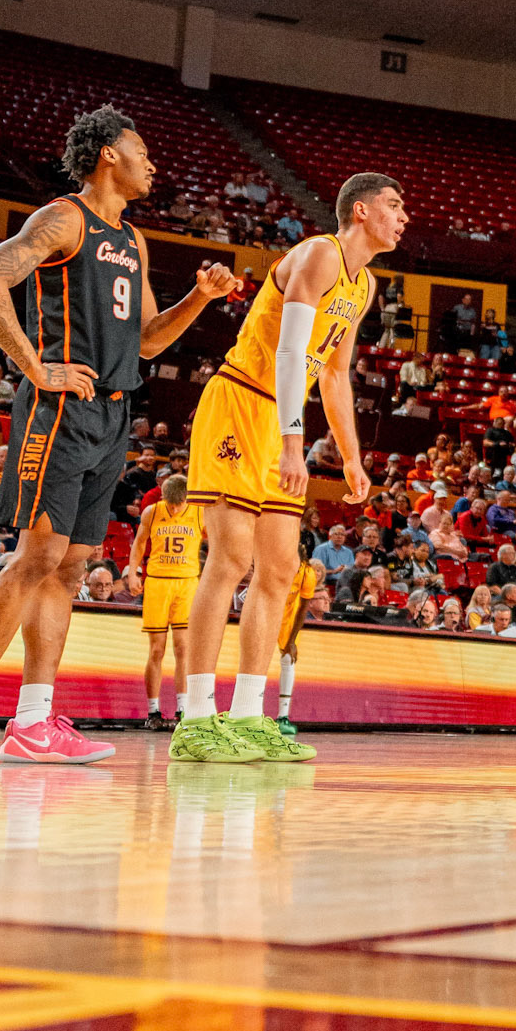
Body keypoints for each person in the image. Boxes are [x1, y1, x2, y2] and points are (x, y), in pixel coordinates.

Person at [0, 105, 233, 767]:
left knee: (71, 568)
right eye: (141, 150)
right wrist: (34, 366)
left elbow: (148, 339)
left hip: (114, 414)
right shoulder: (64, 217)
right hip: (59, 411)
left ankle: (33, 721)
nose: (151, 162)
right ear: (107, 154)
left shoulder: (133, 240)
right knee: (35, 558)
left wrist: (199, 299)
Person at [170, 171, 406, 766]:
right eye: (393, 205)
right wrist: (293, 443)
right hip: (242, 403)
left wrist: (351, 456)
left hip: (282, 418)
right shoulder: (319, 256)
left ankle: (249, 714)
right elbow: (288, 353)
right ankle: (196, 717)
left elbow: (331, 372)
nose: (403, 217)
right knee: (230, 558)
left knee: (277, 570)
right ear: (358, 211)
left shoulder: (366, 285)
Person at [127, 473, 204, 729]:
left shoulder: (199, 512)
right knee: (156, 650)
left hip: (187, 583)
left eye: (178, 503)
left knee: (183, 648)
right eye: (170, 503)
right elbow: (139, 544)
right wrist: (133, 573)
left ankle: (183, 710)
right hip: (158, 582)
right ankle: (153, 712)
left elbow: (215, 545)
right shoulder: (152, 511)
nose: (173, 507)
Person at [275, 536, 321, 736]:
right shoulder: (274, 565)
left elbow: (303, 608)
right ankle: (249, 711)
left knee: (288, 658)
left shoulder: (306, 574)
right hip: (267, 615)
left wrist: (292, 640)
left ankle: (283, 716)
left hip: (287, 617)